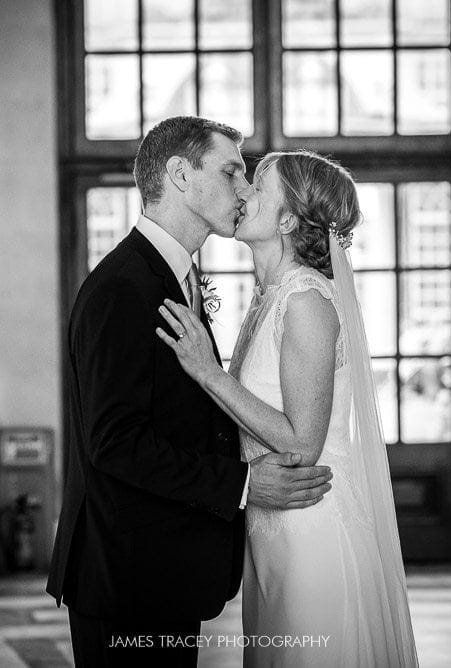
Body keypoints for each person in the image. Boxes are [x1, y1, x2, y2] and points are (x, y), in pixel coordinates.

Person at [47, 117, 334, 667]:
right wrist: (245, 485)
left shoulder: (173, 276)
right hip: (125, 577)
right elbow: (115, 443)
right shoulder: (123, 289)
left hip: (162, 569)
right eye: (231, 172)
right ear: (179, 175)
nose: (246, 190)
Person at [158, 150, 419, 666]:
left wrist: (207, 371)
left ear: (286, 219)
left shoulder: (306, 300)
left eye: (256, 185)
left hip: (310, 529)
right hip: (271, 525)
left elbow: (303, 441)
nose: (241, 194)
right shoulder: (272, 295)